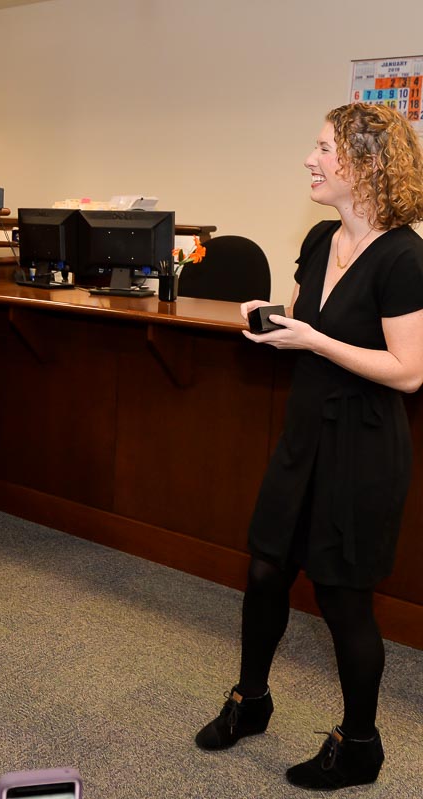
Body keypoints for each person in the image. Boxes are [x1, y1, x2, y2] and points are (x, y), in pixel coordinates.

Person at [195, 103, 423, 790]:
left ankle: (360, 744)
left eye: (324, 148)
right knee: (266, 569)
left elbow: (409, 371)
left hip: (363, 446)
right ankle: (251, 700)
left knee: (342, 596)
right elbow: (303, 319)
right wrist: (267, 322)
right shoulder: (323, 239)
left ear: (368, 166)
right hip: (304, 435)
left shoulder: (407, 257)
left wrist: (314, 339)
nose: (310, 159)